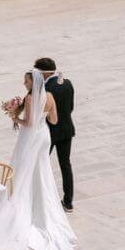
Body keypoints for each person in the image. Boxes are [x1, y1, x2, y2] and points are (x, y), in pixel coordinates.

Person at [0, 68, 76, 250]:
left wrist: (15, 117)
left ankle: (22, 206)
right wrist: (42, 116)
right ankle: (42, 206)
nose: (24, 84)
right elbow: (54, 120)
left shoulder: (30, 99)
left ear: (33, 82)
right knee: (42, 171)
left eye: (26, 81)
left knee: (22, 171)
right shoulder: (50, 97)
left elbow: (28, 123)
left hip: (30, 138)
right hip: (44, 136)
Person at [34, 57, 74, 213]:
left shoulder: (45, 89)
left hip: (50, 131)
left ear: (44, 73)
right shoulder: (68, 83)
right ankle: (68, 202)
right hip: (66, 129)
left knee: (41, 162)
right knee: (65, 165)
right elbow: (70, 107)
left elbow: (43, 112)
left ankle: (40, 198)